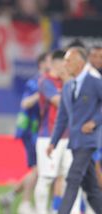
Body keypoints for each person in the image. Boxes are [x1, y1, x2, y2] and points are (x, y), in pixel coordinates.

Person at [47, 47, 102, 214]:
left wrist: (95, 121)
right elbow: (62, 118)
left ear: (79, 63)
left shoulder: (95, 82)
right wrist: (53, 142)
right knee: (91, 189)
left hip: (88, 140)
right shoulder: (67, 86)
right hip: (75, 141)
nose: (64, 65)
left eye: (68, 61)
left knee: (72, 179)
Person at [0, 52, 51, 214]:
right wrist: (40, 94)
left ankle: (11, 196)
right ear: (42, 63)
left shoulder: (51, 81)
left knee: (40, 169)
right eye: (50, 60)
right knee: (39, 168)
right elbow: (25, 103)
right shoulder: (35, 82)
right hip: (32, 130)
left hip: (44, 130)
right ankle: (25, 204)